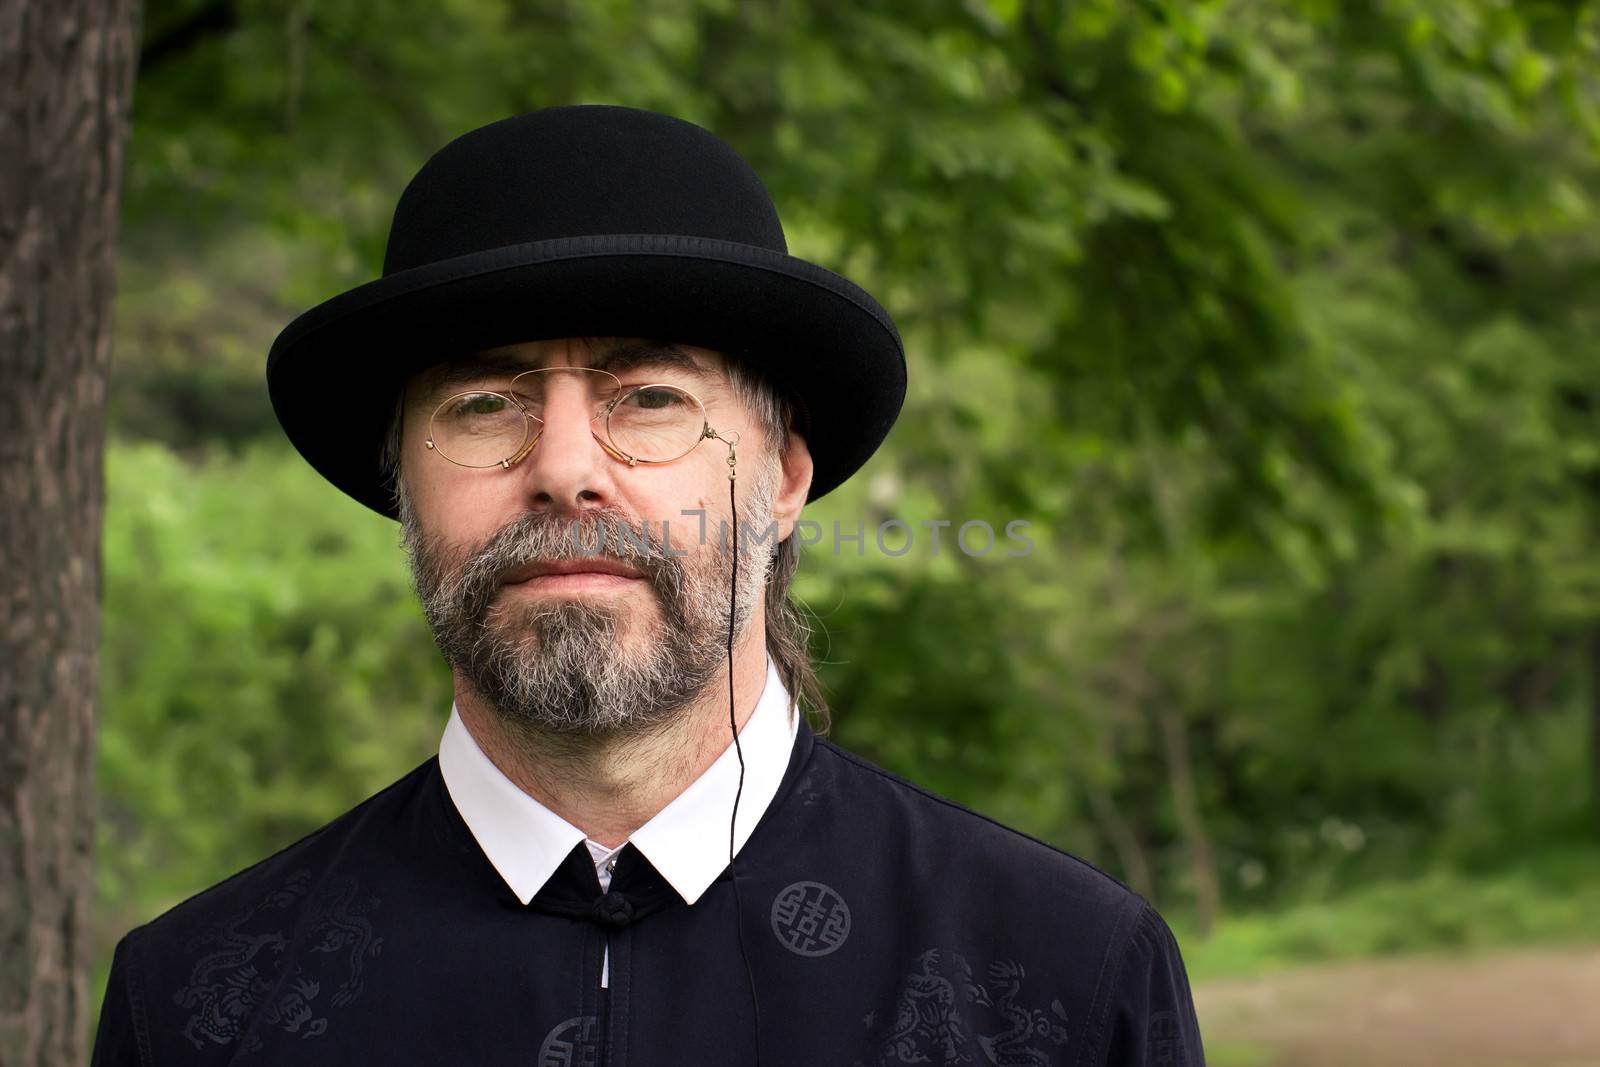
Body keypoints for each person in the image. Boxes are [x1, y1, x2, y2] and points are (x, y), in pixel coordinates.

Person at [91, 104, 1205, 1066]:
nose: (565, 468)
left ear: (783, 475)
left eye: (650, 398)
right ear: (402, 485)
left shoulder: (1063, 974)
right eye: (484, 405)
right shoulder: (198, 1005)